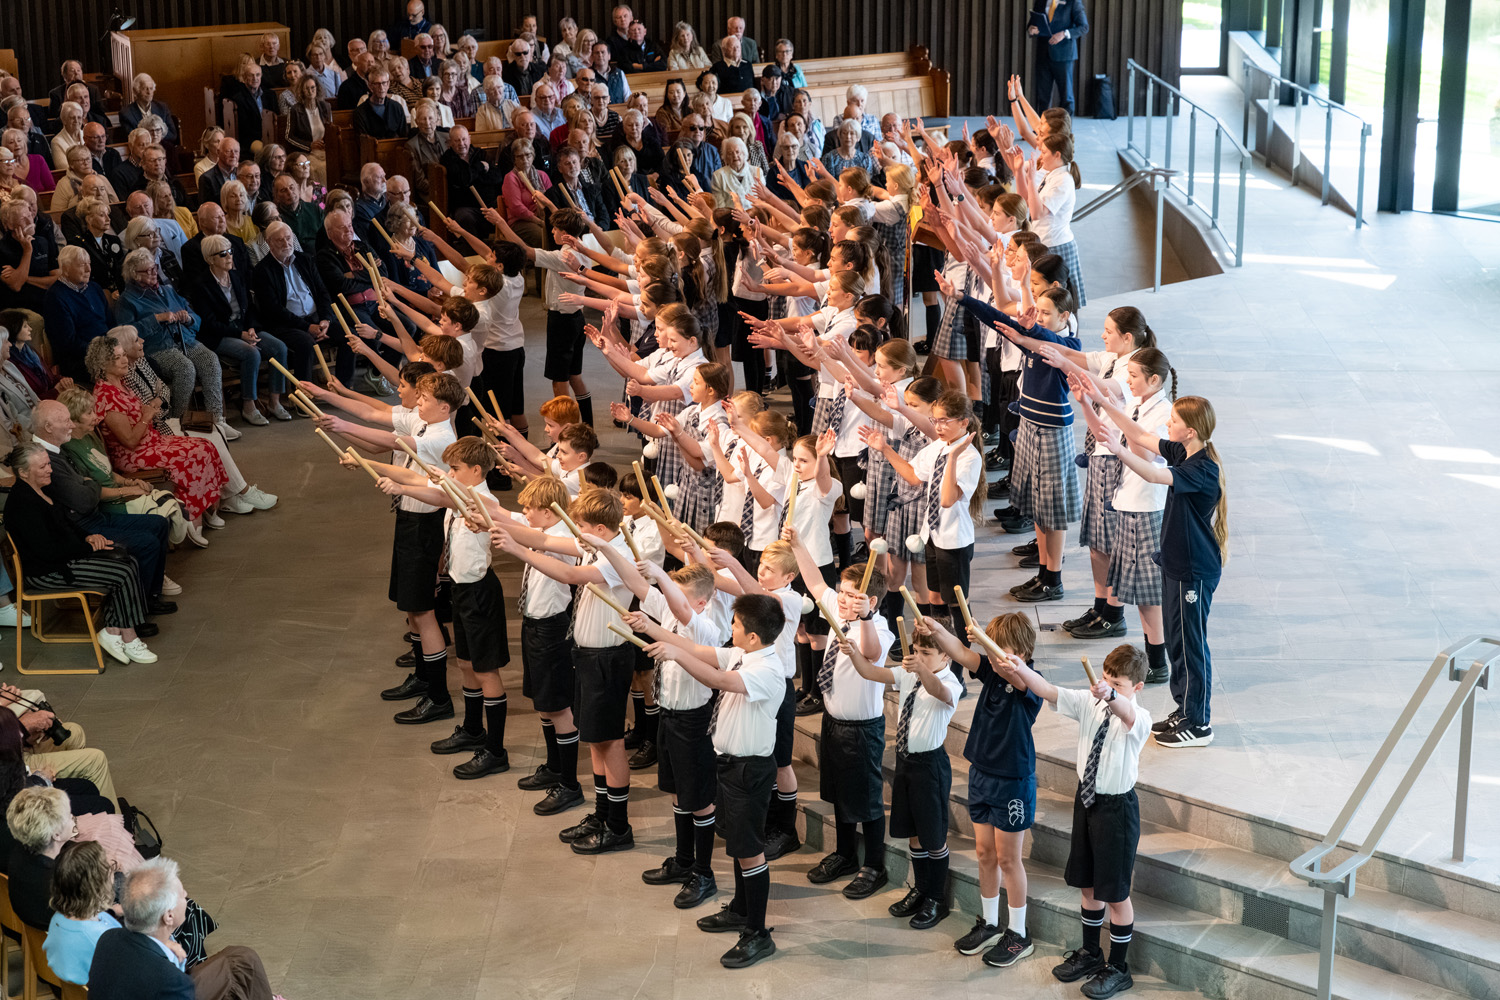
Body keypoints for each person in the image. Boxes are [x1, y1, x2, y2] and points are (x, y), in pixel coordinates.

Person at [626, 592, 784, 967]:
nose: (731, 628)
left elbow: (716, 679)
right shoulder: (743, 653)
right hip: (729, 764)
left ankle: (758, 933)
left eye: (736, 625)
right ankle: (741, 910)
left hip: (749, 770)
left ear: (753, 636)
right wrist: (653, 630)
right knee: (737, 845)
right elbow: (698, 649)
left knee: (750, 850)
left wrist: (676, 656)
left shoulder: (767, 669)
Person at [3, 443, 156, 664]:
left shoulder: (42, 489)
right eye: (43, 466)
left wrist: (87, 537)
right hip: (47, 572)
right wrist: (88, 547)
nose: (50, 470)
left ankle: (114, 631)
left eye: (48, 464)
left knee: (129, 560)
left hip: (62, 559)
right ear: (24, 472)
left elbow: (67, 524)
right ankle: (128, 637)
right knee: (122, 572)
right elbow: (48, 551)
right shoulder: (23, 504)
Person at [88, 856, 276, 1000]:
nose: (186, 895)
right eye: (182, 895)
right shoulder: (173, 982)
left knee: (241, 959)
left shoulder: (109, 937)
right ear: (168, 916)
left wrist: (164, 944)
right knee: (243, 960)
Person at [251, 220, 330, 382]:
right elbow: (274, 310)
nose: (286, 243)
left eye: (288, 238)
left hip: (316, 319)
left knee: (348, 334)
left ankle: (344, 387)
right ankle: (304, 394)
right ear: (269, 243)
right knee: (306, 343)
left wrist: (325, 319)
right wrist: (307, 327)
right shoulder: (262, 270)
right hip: (285, 325)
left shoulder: (305, 260)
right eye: (280, 240)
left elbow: (322, 292)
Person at [43, 841, 124, 985]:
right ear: (98, 886)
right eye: (110, 869)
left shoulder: (57, 918)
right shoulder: (104, 940)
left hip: (65, 986)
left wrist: (111, 911)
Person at [40, 245, 111, 382]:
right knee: (124, 369)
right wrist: (103, 350)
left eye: (89, 264)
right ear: (65, 269)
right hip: (80, 360)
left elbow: (110, 323)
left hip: (106, 350)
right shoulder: (55, 298)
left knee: (138, 360)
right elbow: (68, 343)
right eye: (82, 265)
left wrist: (116, 345)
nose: (88, 269)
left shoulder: (94, 288)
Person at [1030, 0, 1090, 115]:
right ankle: (1042, 125)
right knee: (1042, 98)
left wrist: (1064, 34)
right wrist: (1031, 29)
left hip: (1064, 56)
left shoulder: (1073, 2)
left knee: (1066, 97)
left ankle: (1066, 126)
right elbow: (1032, 23)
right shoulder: (1040, 2)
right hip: (1043, 55)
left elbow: (1084, 27)